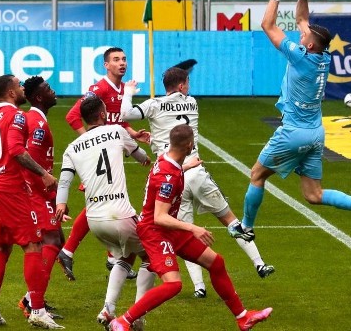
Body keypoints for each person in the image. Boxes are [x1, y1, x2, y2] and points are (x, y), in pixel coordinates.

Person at [234, 0, 351, 241]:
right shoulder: (324, 56)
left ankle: (246, 226)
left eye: (303, 37)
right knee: (313, 194)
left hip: (293, 133)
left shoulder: (300, 57)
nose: (300, 34)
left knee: (257, 174)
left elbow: (267, 25)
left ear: (306, 46)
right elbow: (303, 21)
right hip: (316, 134)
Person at [121, 66, 275, 300]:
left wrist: (129, 90)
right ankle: (259, 262)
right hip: (197, 171)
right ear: (182, 86)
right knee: (231, 221)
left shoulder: (154, 104)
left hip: (174, 176)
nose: (189, 87)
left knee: (183, 231)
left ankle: (199, 286)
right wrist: (154, 137)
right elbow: (176, 130)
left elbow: (126, 114)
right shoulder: (192, 103)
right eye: (187, 83)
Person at [109, 124, 272, 331]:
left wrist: (187, 166)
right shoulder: (167, 177)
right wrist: (192, 228)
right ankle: (122, 321)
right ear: (189, 145)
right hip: (155, 232)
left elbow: (170, 174)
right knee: (173, 284)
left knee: (216, 263)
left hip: (170, 229)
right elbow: (159, 217)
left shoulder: (170, 161)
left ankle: (243, 317)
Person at [55, 95, 154, 328]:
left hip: (94, 221)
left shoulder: (72, 147)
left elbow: (65, 181)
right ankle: (137, 316)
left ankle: (108, 310)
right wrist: (146, 158)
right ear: (102, 114)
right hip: (120, 214)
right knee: (150, 257)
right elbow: (140, 156)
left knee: (125, 257)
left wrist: (61, 204)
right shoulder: (116, 132)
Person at [0, 74, 63, 329]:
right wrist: (44, 174)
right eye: (18, 85)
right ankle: (37, 309)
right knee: (33, 245)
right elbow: (16, 150)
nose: (22, 88)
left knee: (3, 248)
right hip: (8, 190)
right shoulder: (16, 116)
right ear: (11, 92)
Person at [59, 46, 147, 280]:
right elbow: (72, 116)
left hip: (106, 154)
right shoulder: (98, 89)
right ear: (106, 65)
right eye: (116, 60)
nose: (122, 63)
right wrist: (91, 143)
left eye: (124, 59)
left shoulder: (120, 89)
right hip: (97, 157)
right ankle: (68, 251)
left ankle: (112, 258)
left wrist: (132, 133)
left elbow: (115, 121)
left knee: (103, 202)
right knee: (98, 203)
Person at [17, 76, 64, 321]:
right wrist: (50, 195)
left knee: (55, 240)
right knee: (51, 241)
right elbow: (30, 160)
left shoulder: (36, 119)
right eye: (48, 89)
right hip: (35, 193)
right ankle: (32, 302)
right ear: (38, 97)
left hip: (38, 193)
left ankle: (34, 298)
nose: (53, 90)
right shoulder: (36, 122)